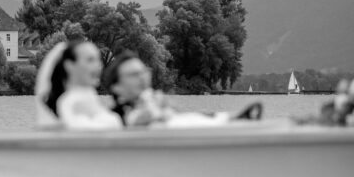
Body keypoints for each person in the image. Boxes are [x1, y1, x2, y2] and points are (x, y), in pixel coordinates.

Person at [101, 51, 263, 127]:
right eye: (134, 74)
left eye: (143, 72)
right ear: (117, 86)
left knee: (200, 117)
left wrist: (166, 107)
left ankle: (234, 119)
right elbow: (138, 121)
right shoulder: (116, 116)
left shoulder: (153, 100)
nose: (142, 77)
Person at [35, 41, 123, 130]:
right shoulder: (71, 102)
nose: (98, 66)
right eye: (90, 60)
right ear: (69, 65)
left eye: (98, 60)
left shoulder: (89, 97)